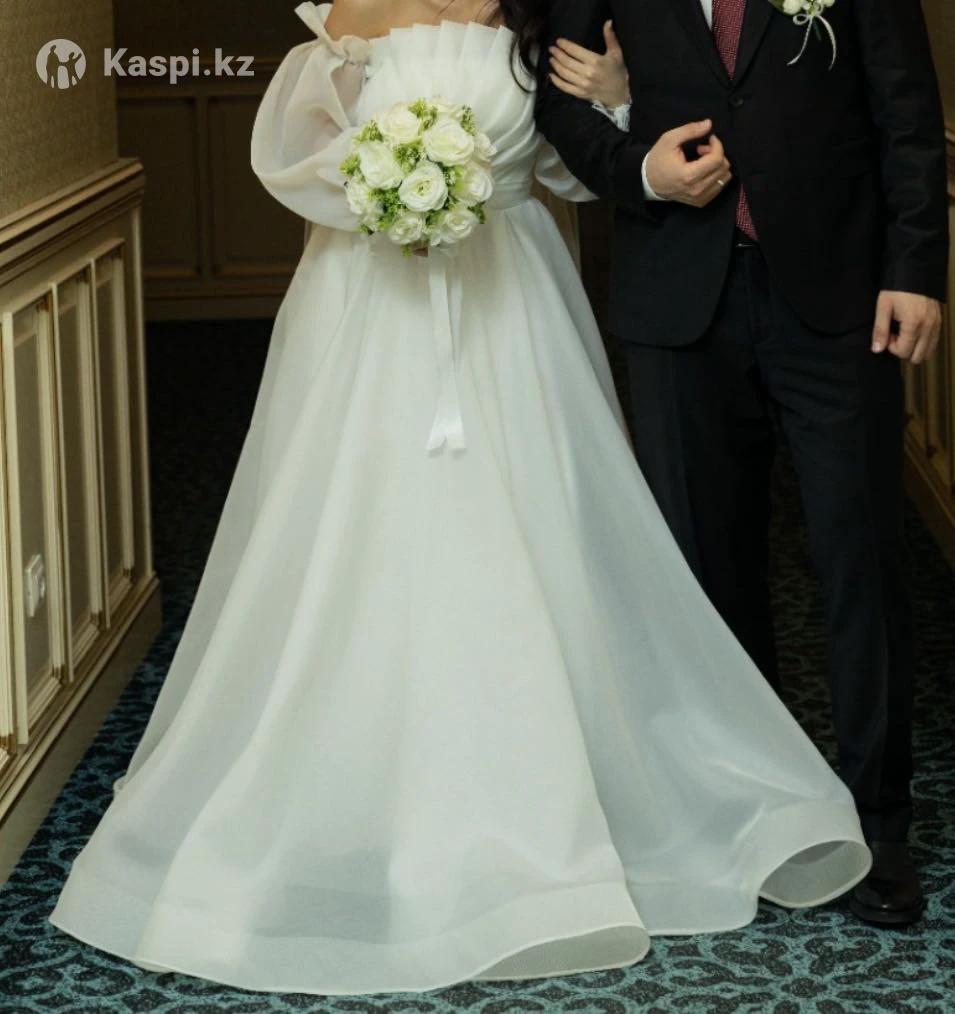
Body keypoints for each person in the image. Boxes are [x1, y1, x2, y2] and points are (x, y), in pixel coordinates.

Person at [48, 1, 871, 996]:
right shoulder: (343, 16)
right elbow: (294, 159)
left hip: (512, 301)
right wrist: (383, 190)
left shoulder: (540, 15)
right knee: (362, 542)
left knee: (540, 532)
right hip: (370, 306)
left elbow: (574, 171)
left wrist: (616, 105)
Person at [537, 0, 948, 928]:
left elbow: (907, 114)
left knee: (860, 561)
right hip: (676, 294)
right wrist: (638, 169)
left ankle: (879, 823)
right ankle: (750, 814)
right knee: (705, 569)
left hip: (840, 293)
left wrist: (914, 268)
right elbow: (557, 97)